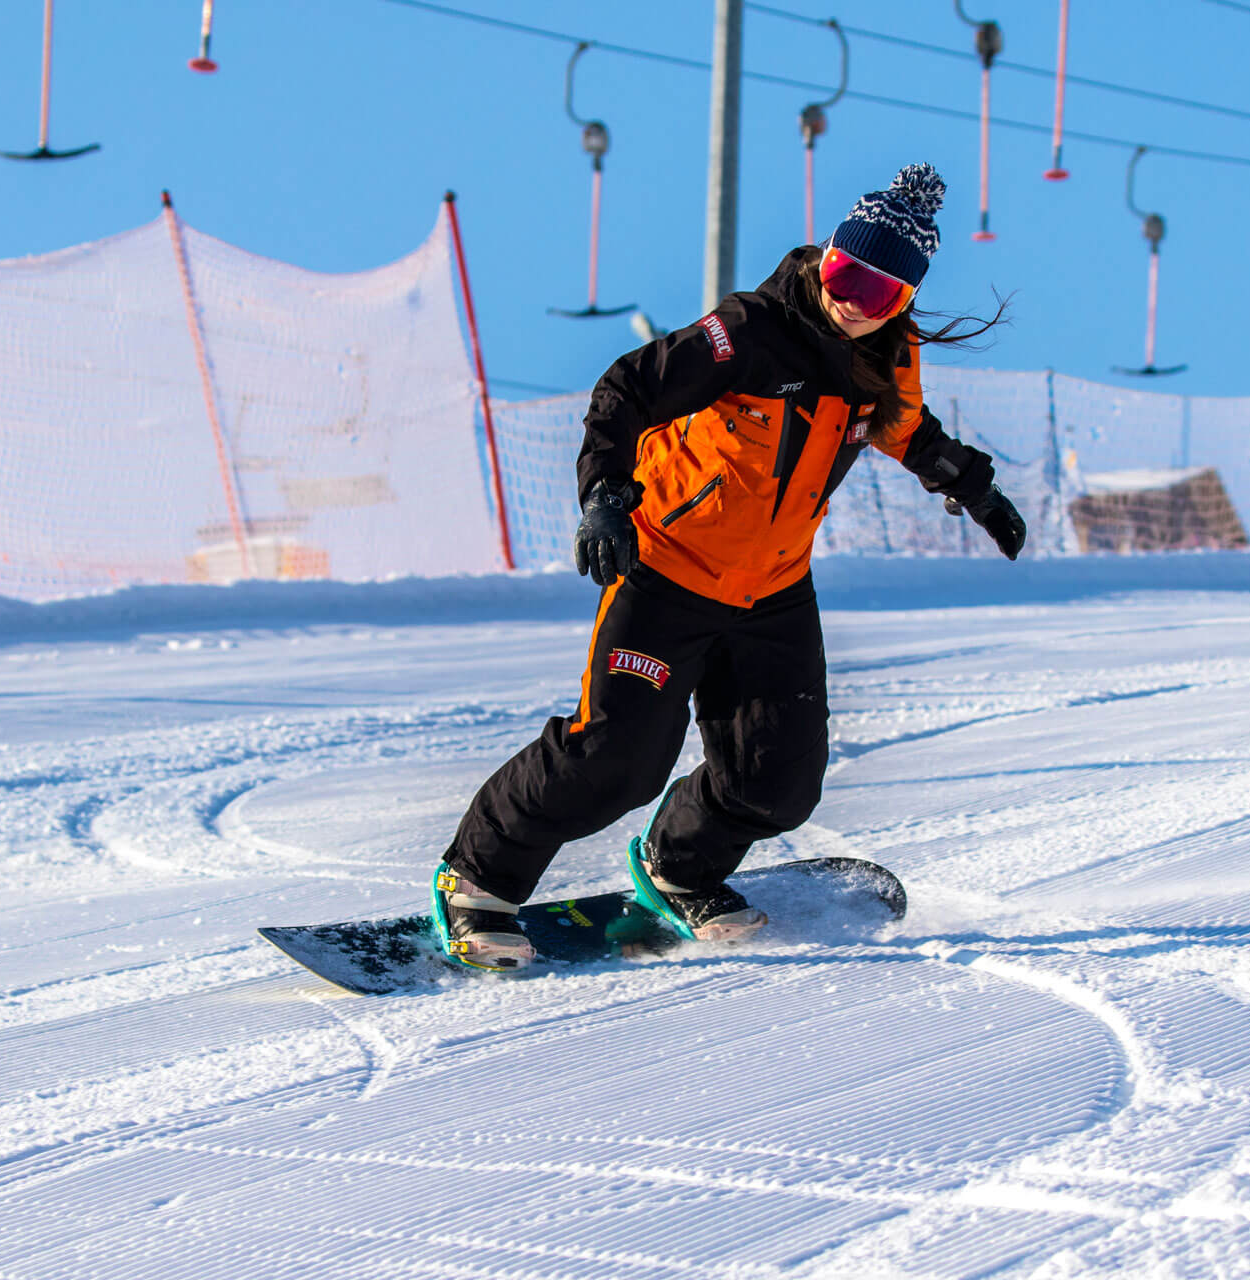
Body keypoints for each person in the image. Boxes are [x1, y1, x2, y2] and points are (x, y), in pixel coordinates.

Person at [431, 163, 1026, 972]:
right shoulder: (748, 334)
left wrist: (970, 482)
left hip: (773, 590)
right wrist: (605, 497)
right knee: (616, 762)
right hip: (668, 569)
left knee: (778, 783)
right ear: (827, 260)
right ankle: (477, 881)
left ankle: (679, 868)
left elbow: (902, 428)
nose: (855, 300)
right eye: (847, 273)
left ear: (904, 302)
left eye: (881, 294)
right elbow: (626, 390)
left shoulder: (887, 353)